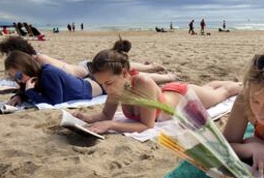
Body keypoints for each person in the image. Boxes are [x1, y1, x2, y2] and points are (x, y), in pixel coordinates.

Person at [74, 39, 241, 134]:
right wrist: (85, 118)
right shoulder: (115, 88)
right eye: (102, 84)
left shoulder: (142, 83)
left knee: (223, 94)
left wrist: (111, 125)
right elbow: (105, 114)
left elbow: (147, 125)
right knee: (209, 89)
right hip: (169, 94)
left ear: (125, 74)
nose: (106, 88)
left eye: (108, 83)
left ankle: (240, 84)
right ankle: (220, 83)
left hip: (183, 96)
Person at [0, 36, 177, 84]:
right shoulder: (32, 64)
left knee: (127, 74)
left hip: (87, 73)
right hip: (83, 71)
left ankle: (160, 72)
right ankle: (151, 66)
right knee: (124, 70)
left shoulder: (40, 60)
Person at [4, 51, 105, 106]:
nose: (19, 81)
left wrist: (30, 93)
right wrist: (18, 96)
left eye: (19, 76)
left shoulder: (48, 73)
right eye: (15, 79)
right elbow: (23, 90)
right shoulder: (33, 78)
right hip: (84, 82)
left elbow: (56, 102)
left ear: (27, 67)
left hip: (98, 85)